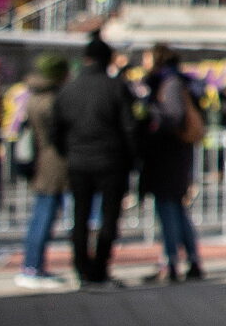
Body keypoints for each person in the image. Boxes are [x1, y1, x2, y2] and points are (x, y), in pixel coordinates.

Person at [50, 38, 137, 289]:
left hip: (79, 161)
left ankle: (82, 268)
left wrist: (68, 151)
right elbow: (129, 126)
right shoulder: (115, 87)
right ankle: (99, 268)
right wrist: (132, 158)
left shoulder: (69, 89)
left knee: (80, 217)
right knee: (109, 218)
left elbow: (56, 129)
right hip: (111, 160)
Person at [138, 47, 205, 282]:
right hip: (172, 156)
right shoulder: (172, 82)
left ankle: (171, 261)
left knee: (169, 207)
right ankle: (191, 260)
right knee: (175, 207)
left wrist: (150, 109)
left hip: (169, 156)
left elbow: (173, 117)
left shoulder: (170, 84)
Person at [15, 55, 77, 289]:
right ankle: (32, 267)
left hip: (44, 162)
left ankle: (32, 265)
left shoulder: (35, 96)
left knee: (42, 214)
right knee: (44, 215)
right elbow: (58, 134)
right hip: (52, 163)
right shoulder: (50, 100)